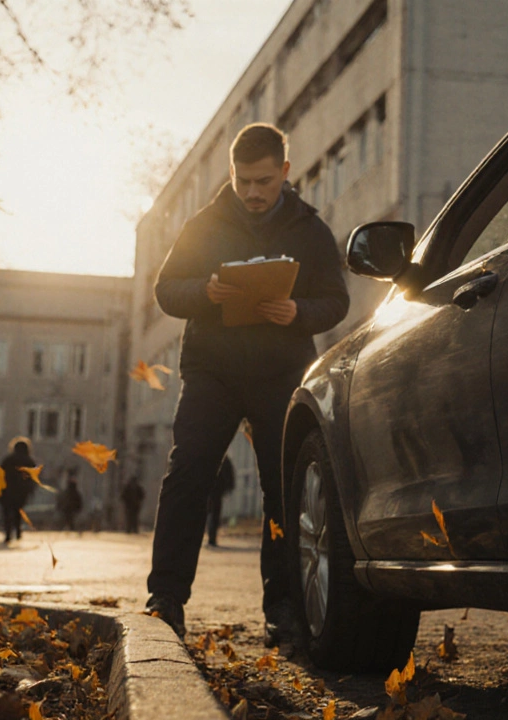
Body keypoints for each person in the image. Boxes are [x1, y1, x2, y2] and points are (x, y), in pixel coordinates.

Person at [145, 123, 349, 640]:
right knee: (188, 473)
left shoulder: (311, 229)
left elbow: (336, 301)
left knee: (282, 489)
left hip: (282, 372)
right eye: (243, 181)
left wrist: (298, 311)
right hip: (212, 370)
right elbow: (166, 290)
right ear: (232, 174)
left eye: (264, 181)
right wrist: (206, 291)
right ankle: (166, 597)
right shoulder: (203, 224)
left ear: (285, 171)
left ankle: (283, 607)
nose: (253, 192)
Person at [0, 437, 37, 543]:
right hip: (22, 491)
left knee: (7, 512)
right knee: (18, 510)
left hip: (7, 490)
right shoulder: (29, 461)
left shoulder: (8, 459)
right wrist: (30, 489)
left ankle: (8, 533)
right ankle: (18, 531)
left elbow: (0, 475)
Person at [206, 456, 235, 547]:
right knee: (214, 514)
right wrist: (229, 487)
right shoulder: (224, 459)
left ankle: (210, 536)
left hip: (210, 491)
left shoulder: (207, 457)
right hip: (217, 491)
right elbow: (229, 475)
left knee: (209, 513)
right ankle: (212, 538)